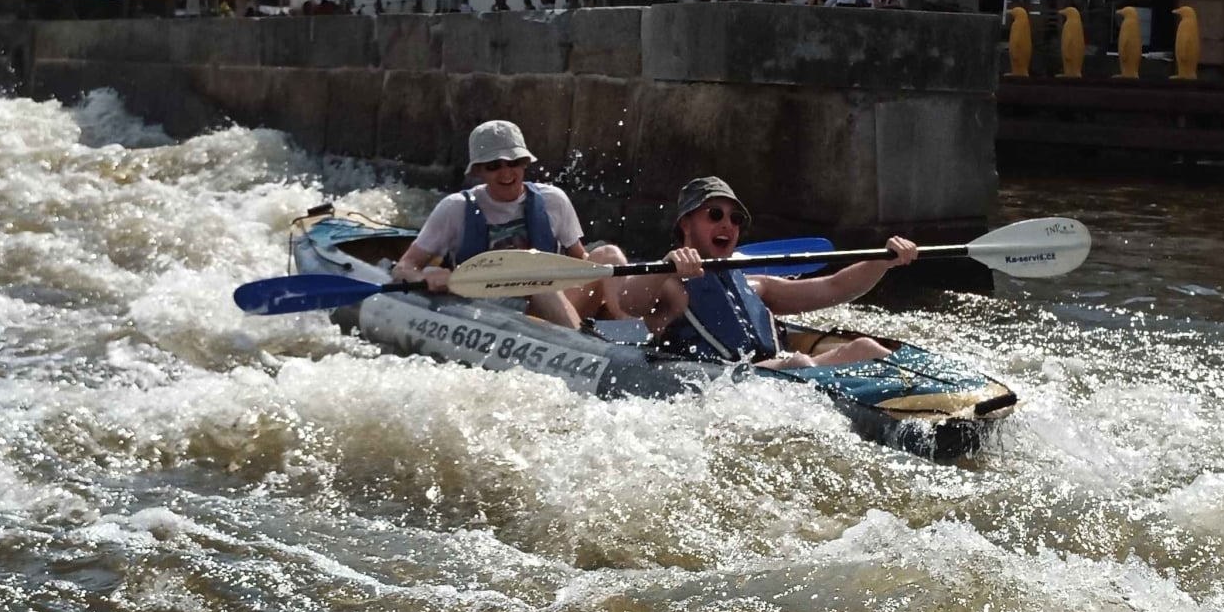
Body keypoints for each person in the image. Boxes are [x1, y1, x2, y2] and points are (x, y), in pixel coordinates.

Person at [616, 178, 918, 368]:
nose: (727, 225)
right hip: (726, 383)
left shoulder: (753, 284)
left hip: (777, 375)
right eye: (715, 215)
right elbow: (630, 302)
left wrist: (883, 261)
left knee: (863, 346)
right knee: (802, 360)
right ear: (685, 225)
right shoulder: (670, 285)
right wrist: (668, 262)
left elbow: (834, 288)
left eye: (735, 219)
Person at [393, 120, 627, 326]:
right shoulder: (454, 208)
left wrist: (605, 297)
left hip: (554, 307)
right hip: (490, 316)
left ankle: (629, 334)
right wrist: (426, 278)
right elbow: (403, 268)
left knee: (609, 255)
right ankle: (588, 349)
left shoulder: (553, 200)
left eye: (513, 162)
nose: (506, 173)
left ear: (524, 162)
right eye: (494, 165)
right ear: (478, 171)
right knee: (539, 287)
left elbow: (580, 263)